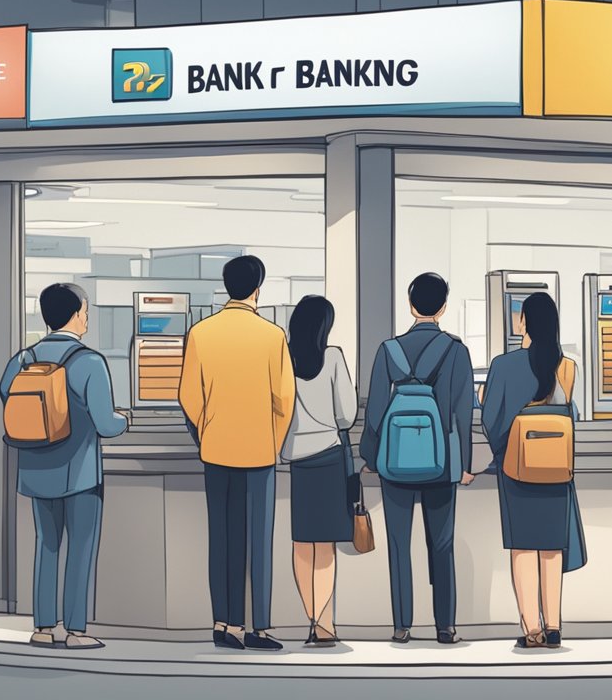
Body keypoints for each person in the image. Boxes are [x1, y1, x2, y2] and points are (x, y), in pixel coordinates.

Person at [0, 283, 128, 650]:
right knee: (81, 547)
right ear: (74, 315)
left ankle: (43, 627)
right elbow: (106, 424)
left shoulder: (23, 359)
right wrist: (125, 419)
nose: (87, 319)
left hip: (36, 470)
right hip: (80, 473)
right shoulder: (89, 362)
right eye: (85, 312)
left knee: (47, 545)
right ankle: (75, 631)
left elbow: (7, 396)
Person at [179, 255, 296, 651]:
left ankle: (224, 623)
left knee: (222, 539)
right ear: (258, 289)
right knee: (258, 541)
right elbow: (284, 399)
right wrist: (273, 441)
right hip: (260, 453)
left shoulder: (201, 332)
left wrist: (207, 431)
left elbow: (188, 396)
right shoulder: (272, 336)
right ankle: (257, 626)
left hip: (216, 450)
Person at [360, 272, 476, 645]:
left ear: (411, 305)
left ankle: (402, 625)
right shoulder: (455, 350)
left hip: (395, 462)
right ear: (443, 308)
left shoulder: (389, 350)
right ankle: (445, 626)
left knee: (399, 545)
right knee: (441, 545)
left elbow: (375, 412)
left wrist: (371, 457)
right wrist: (464, 465)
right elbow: (463, 413)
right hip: (441, 463)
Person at [480, 292, 588, 649]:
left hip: (516, 468)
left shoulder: (503, 365)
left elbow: (491, 421)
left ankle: (532, 629)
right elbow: (571, 416)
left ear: (523, 321)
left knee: (523, 548)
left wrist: (504, 452)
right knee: (552, 548)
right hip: (556, 468)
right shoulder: (567, 367)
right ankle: (554, 625)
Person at [283, 295, 358, 647]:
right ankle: (325, 625)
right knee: (325, 544)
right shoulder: (334, 358)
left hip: (297, 458)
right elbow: (347, 415)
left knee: (303, 542)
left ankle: (310, 618)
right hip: (329, 455)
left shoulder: (284, 358)